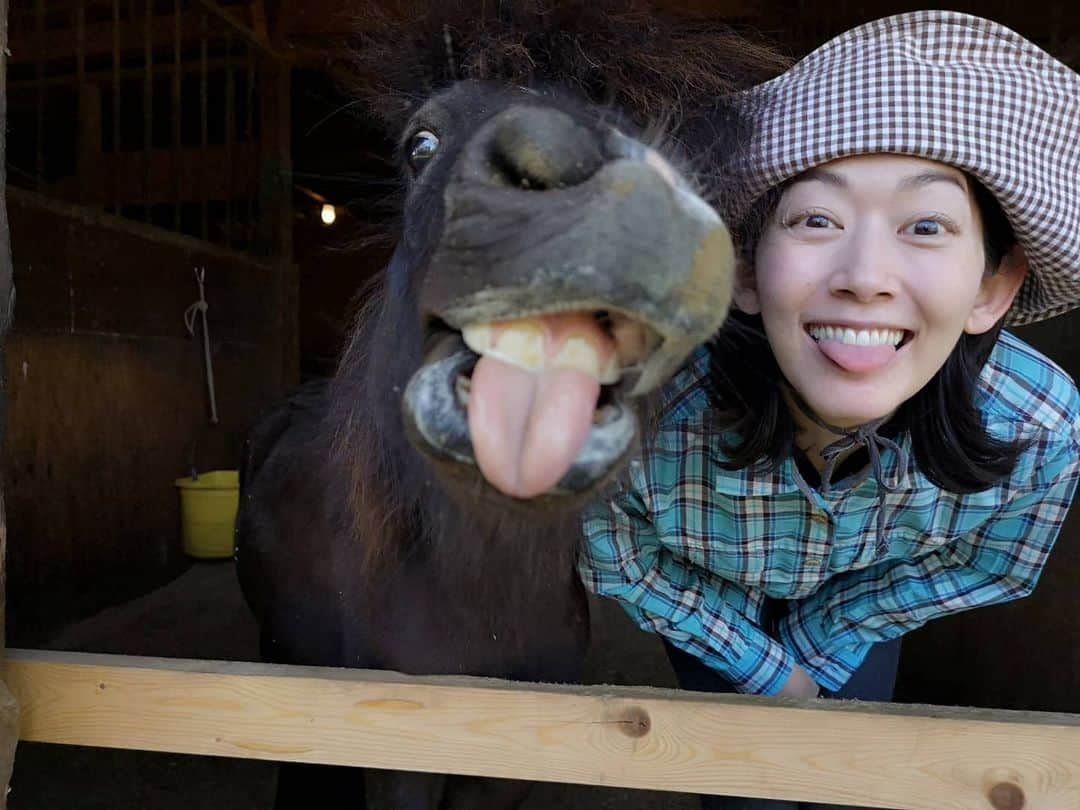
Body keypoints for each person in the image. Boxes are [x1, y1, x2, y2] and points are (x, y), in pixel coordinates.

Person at [578, 10, 1080, 809]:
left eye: (926, 225)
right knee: (743, 788)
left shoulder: (1039, 425)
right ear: (743, 268)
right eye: (817, 220)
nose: (865, 275)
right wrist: (769, 671)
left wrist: (830, 637)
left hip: (866, 586)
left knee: (850, 772)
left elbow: (990, 562)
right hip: (706, 588)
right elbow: (623, 559)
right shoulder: (643, 405)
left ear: (992, 287)